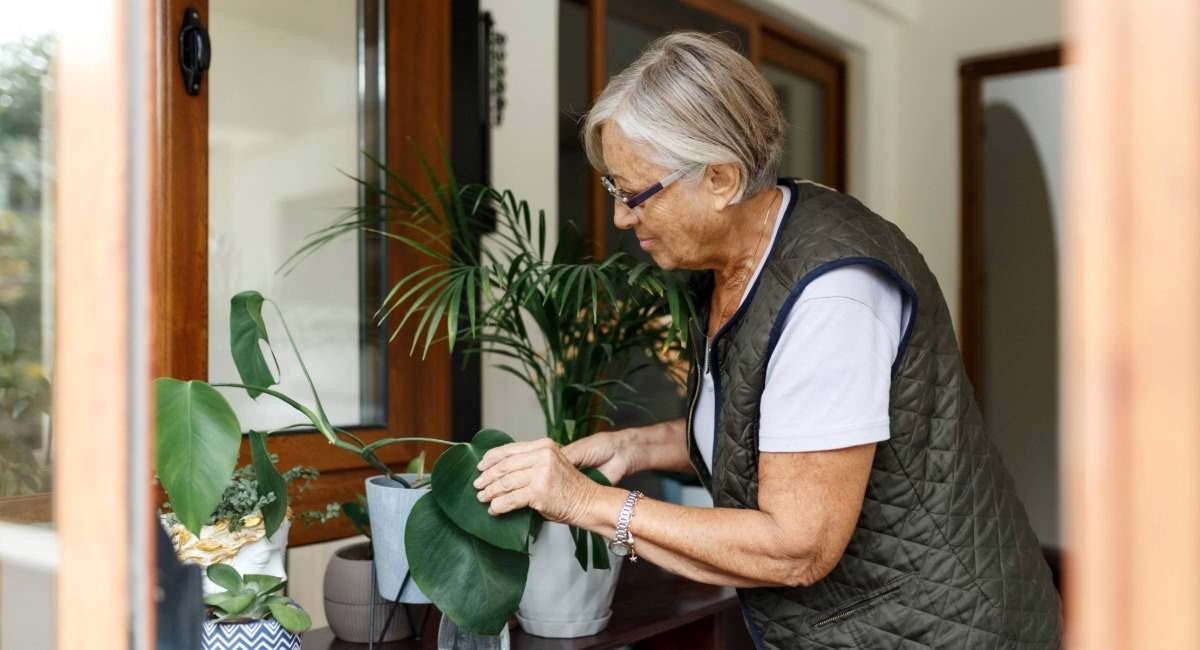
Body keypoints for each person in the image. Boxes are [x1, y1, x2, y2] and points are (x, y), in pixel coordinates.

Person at [473, 31, 1061, 648]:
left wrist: (587, 504)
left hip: (937, 630)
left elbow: (796, 547)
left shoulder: (831, 299)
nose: (621, 216)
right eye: (612, 189)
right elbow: (775, 428)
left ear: (722, 179)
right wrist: (634, 446)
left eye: (635, 193)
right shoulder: (746, 252)